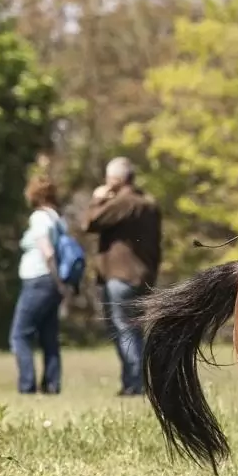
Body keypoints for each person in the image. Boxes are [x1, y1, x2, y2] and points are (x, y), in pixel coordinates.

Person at [82, 156, 162, 396]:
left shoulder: (124, 202)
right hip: (143, 274)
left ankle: (135, 383)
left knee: (124, 328)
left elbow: (90, 222)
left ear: (116, 179)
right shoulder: (149, 203)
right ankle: (137, 380)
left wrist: (98, 198)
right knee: (135, 329)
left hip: (120, 276)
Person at [9, 174, 68, 394]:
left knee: (19, 334)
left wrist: (54, 278)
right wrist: (60, 284)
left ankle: (27, 385)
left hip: (38, 279)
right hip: (52, 283)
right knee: (48, 335)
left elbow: (48, 251)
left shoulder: (39, 218)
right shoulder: (59, 218)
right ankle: (52, 384)